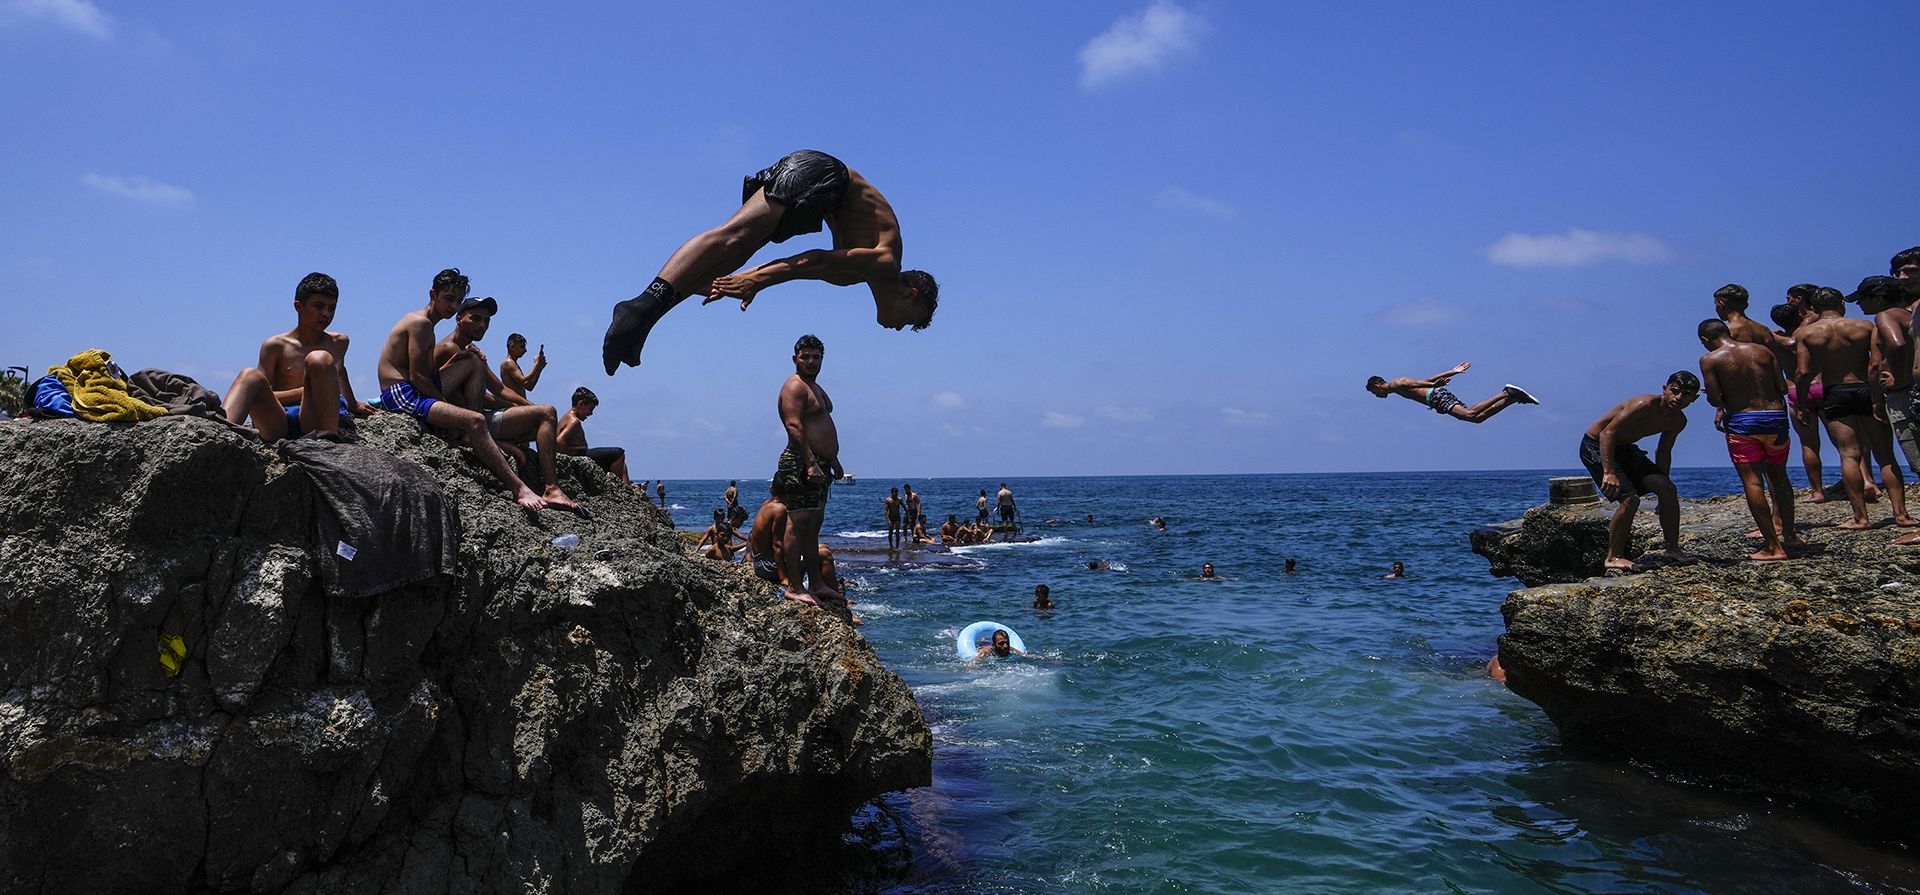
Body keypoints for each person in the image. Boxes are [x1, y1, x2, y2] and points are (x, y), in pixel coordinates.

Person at [602, 150, 939, 373]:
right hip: (826, 175)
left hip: (821, 198)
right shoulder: (886, 262)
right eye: (911, 320)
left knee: (734, 255)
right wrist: (758, 280)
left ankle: (644, 319)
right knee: (734, 237)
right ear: (909, 293)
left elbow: (802, 267)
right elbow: (811, 261)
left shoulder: (852, 275)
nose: (901, 327)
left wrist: (750, 279)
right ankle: (639, 309)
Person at [376, 268, 573, 513]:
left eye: (457, 301)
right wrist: (453, 414)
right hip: (401, 393)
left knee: (474, 365)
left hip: (414, 390)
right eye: (448, 299)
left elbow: (437, 378)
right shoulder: (421, 324)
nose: (452, 305)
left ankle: (544, 482)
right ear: (432, 295)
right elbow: (418, 377)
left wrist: (465, 361)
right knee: (476, 419)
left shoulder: (435, 330)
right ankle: (519, 488)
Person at [432, 295, 583, 501]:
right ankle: (551, 488)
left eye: (486, 321)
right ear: (459, 319)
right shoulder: (449, 349)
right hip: (465, 423)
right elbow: (434, 389)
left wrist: (527, 406)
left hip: (480, 418)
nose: (482, 325)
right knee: (546, 413)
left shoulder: (471, 353)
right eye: (475, 318)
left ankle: (548, 485)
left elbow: (499, 390)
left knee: (543, 422)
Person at [1795, 286, 1915, 531]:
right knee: (1885, 455)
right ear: (1841, 304)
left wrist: (1802, 403)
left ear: (1815, 309)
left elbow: (1803, 372)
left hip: (1835, 391)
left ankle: (1860, 518)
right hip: (1864, 387)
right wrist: (1876, 398)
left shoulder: (1806, 334)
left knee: (1849, 454)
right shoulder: (1864, 326)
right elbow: (1874, 365)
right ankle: (1901, 515)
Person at [224, 272, 373, 442]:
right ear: (298, 307)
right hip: (280, 421)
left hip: (315, 424)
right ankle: (219, 431)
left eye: (332, 308)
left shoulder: (338, 342)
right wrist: (304, 391)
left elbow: (339, 372)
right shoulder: (276, 346)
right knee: (249, 375)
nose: (326, 314)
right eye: (319, 306)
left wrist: (353, 404)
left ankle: (328, 442)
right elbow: (260, 393)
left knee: (320, 359)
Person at [1698, 319, 1800, 561]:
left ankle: (1773, 547)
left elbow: (1715, 399)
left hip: (1744, 421)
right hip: (1776, 418)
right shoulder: (1763, 351)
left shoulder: (1710, 359)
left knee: (1753, 482)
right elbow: (1782, 388)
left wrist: (1718, 397)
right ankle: (1791, 535)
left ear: (1704, 340)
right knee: (1779, 477)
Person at [1581, 373, 1699, 571]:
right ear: (1665, 389)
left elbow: (1663, 451)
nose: (1678, 398)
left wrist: (1663, 487)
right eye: (1674, 391)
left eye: (1686, 395)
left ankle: (1672, 549)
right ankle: (1614, 557)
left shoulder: (1678, 421)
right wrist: (1609, 472)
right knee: (1630, 500)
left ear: (1693, 399)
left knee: (1668, 489)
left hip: (1626, 449)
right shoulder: (1643, 404)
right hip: (1597, 445)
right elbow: (1607, 433)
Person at [772, 334, 841, 603]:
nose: (811, 361)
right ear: (795, 359)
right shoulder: (794, 387)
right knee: (797, 523)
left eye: (816, 357)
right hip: (801, 462)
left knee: (813, 526)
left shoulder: (815, 386)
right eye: (805, 357)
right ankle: (796, 588)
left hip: (821, 464)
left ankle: (817, 583)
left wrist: (832, 459)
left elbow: (821, 424)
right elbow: (794, 427)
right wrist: (810, 462)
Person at [1857, 276, 1920, 477]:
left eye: (1863, 298)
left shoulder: (1885, 316)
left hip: (1902, 394)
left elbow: (1896, 345)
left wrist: (1897, 379)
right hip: (1914, 387)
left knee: (1915, 455)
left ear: (1878, 297)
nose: (1859, 303)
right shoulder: (1910, 314)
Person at [1770, 300, 1831, 503]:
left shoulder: (1774, 340)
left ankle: (1817, 491)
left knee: (1809, 444)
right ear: (1799, 317)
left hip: (1795, 390)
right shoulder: (1811, 333)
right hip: (1821, 385)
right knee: (1845, 443)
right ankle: (1866, 482)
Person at [1365, 361, 1539, 422]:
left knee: (1470, 413)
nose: (1377, 396)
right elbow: (1424, 382)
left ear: (1377, 385)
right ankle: (1513, 398)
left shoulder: (1396, 383)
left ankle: (1506, 393)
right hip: (1435, 398)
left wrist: (1453, 372)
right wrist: (1435, 385)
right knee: (1477, 419)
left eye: (1374, 393)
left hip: (1436, 396)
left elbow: (1422, 382)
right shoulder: (1397, 387)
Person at [557, 387, 631, 483]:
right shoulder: (574, 421)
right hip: (579, 457)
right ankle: (620, 488)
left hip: (582, 455)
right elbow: (559, 441)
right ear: (581, 404)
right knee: (618, 453)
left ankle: (626, 490)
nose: (591, 413)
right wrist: (569, 461)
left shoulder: (567, 416)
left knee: (622, 465)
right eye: (590, 409)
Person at [747, 492, 787, 587]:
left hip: (758, 564)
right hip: (769, 566)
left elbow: (751, 534)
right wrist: (783, 578)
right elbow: (777, 545)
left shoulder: (766, 504)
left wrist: (748, 556)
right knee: (822, 554)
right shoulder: (780, 509)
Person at [498, 333, 545, 401]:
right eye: (522, 347)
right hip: (514, 405)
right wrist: (536, 364)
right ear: (512, 347)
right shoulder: (508, 363)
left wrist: (539, 369)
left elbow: (529, 386)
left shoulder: (514, 364)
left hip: (521, 403)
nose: (525, 350)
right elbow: (523, 379)